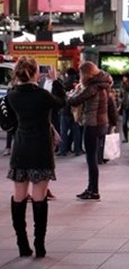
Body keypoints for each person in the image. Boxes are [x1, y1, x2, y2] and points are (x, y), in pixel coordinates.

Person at [6, 56, 65, 258]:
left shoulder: (12, 95)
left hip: (20, 148)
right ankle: (39, 245)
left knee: (19, 196)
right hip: (41, 149)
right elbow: (62, 102)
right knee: (40, 198)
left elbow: (10, 122)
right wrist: (56, 81)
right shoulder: (42, 95)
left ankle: (22, 244)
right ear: (35, 73)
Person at [67, 61, 113, 201]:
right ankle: (92, 189)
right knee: (93, 158)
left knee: (91, 159)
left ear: (86, 74)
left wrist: (69, 96)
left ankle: (93, 190)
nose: (80, 76)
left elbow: (75, 101)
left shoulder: (92, 88)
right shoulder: (104, 86)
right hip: (102, 125)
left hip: (92, 125)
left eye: (81, 73)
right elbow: (111, 105)